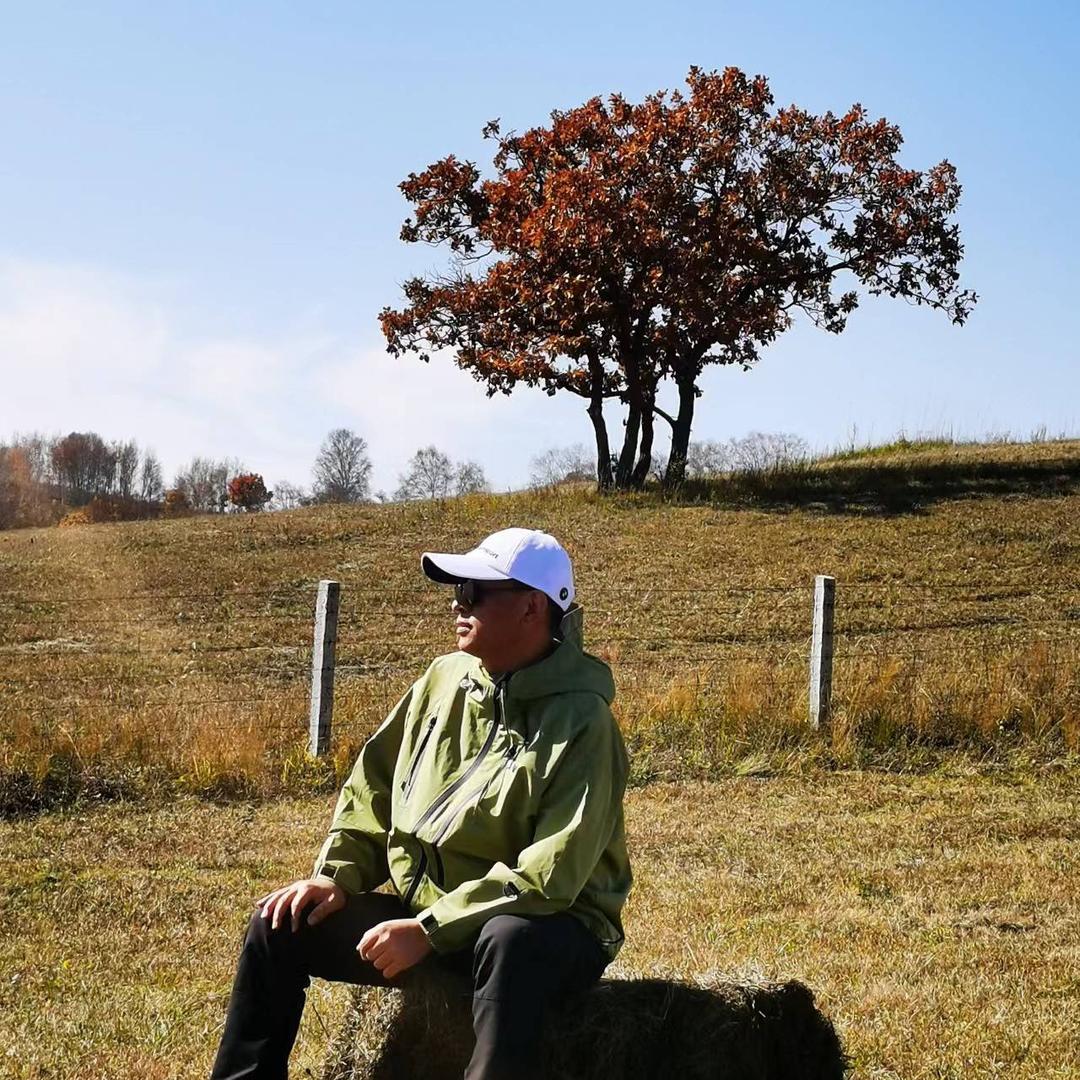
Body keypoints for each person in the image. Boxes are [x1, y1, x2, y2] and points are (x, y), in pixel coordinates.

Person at [210, 526, 633, 1080]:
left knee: (510, 943)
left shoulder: (584, 723)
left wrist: (430, 930)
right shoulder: (442, 679)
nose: (458, 602)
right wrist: (337, 876)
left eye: (476, 591)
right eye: (457, 588)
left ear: (532, 607)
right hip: (433, 910)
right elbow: (375, 785)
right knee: (280, 923)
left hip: (547, 926)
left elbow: (549, 878)